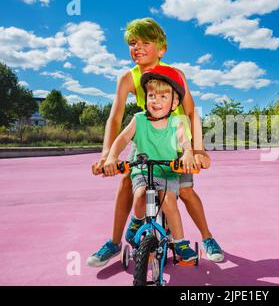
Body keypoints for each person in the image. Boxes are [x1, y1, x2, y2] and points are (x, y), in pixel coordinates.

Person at [87, 18, 223, 267]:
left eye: (145, 42)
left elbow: (192, 112)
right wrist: (108, 154)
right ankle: (115, 242)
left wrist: (198, 150)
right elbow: (115, 116)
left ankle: (207, 238)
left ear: (161, 49)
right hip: (148, 135)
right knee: (127, 179)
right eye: (132, 43)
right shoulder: (128, 78)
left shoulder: (175, 74)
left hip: (177, 138)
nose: (137, 47)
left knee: (186, 191)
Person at [102, 66, 197, 261]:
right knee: (140, 195)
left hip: (168, 171)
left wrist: (188, 153)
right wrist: (112, 156)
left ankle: (179, 242)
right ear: (145, 99)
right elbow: (121, 139)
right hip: (143, 170)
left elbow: (183, 140)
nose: (156, 101)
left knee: (169, 201)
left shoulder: (175, 122)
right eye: (152, 95)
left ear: (174, 102)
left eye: (163, 97)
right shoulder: (138, 120)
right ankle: (136, 222)